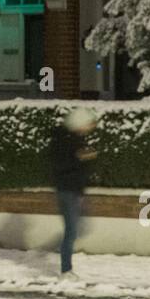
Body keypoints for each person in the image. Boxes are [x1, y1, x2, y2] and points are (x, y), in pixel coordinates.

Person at [49, 107, 97, 278]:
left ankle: (65, 265)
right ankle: (66, 270)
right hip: (67, 191)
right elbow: (60, 166)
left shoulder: (75, 140)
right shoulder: (64, 141)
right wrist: (79, 157)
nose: (90, 128)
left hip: (74, 191)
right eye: (88, 124)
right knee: (71, 231)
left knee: (73, 230)